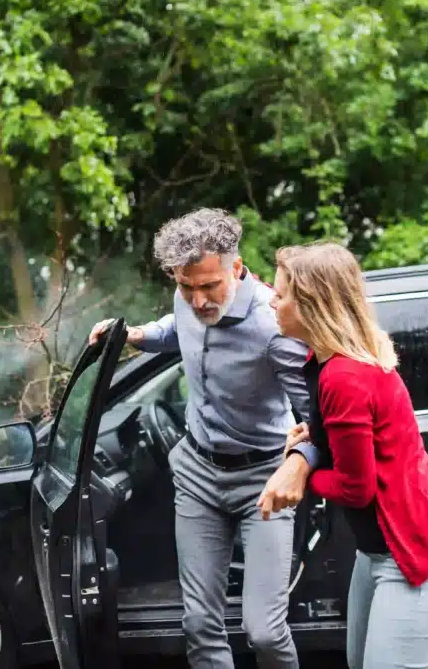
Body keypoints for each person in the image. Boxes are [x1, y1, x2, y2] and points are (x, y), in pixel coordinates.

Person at [88, 208, 316, 669]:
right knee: (198, 625)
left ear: (236, 266)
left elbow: (320, 417)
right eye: (185, 286)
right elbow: (178, 328)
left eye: (209, 286)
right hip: (197, 474)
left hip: (262, 480)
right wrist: (136, 335)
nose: (197, 300)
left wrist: (300, 461)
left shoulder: (275, 326)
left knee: (265, 631)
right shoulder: (188, 298)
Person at [258, 241, 428, 669]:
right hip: (377, 551)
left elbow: (357, 489)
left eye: (281, 295)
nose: (272, 302)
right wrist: (313, 439)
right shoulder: (325, 360)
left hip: (415, 550)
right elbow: (352, 436)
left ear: (312, 304)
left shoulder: (343, 376)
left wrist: (302, 474)